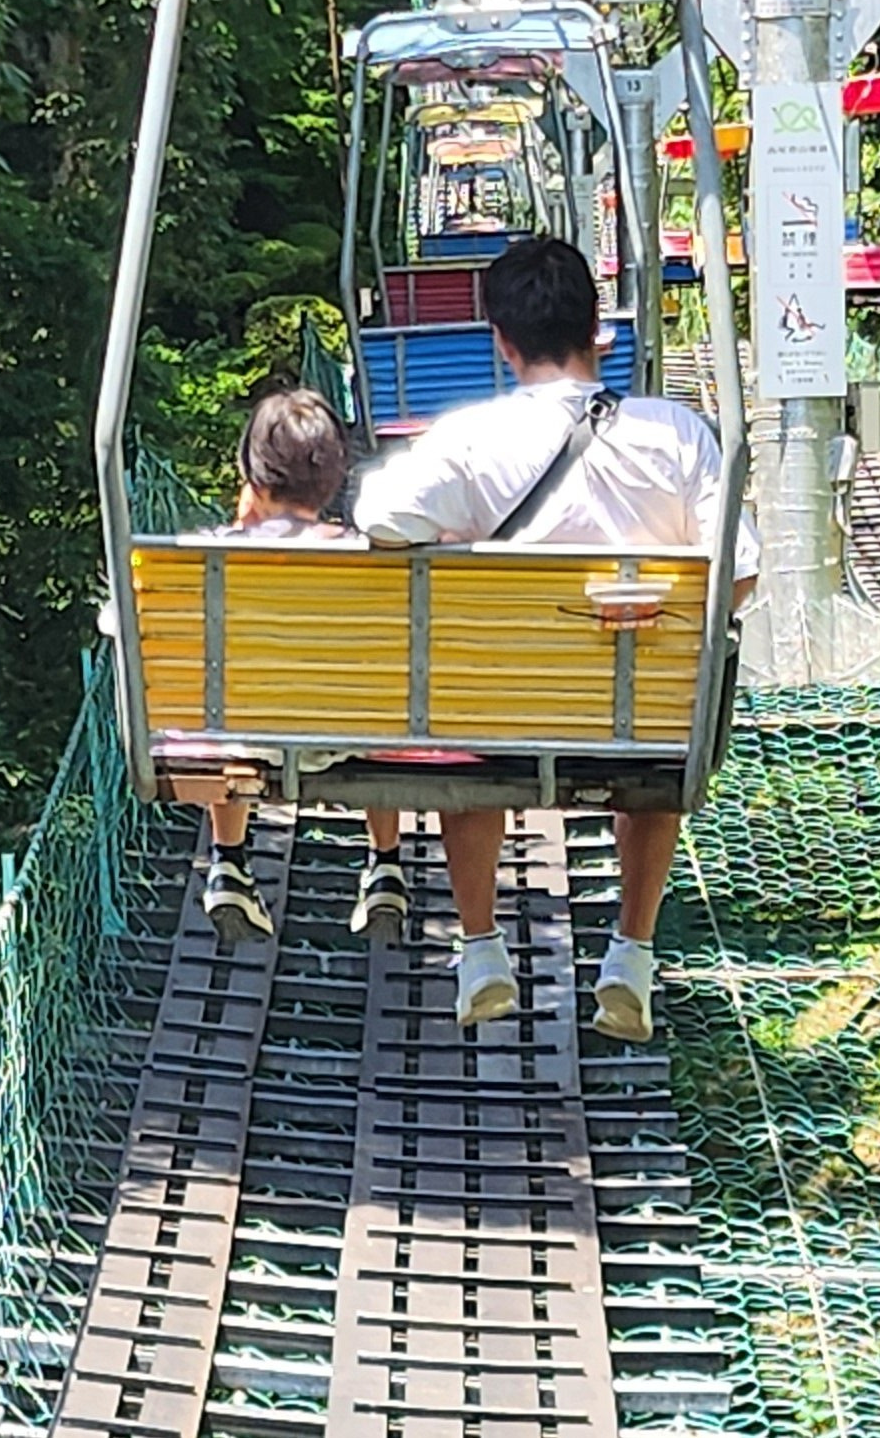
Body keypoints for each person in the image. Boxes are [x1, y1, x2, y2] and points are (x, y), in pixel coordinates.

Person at [353, 236, 756, 1041]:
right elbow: (737, 571)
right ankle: (630, 952)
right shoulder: (678, 434)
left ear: (502, 341)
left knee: (466, 716)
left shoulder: (469, 439)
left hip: (506, 717)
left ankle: (480, 946)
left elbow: (378, 519)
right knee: (661, 713)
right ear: (597, 330)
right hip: (637, 724)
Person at [198, 387, 410, 948]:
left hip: (248, 732)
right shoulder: (370, 558)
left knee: (222, 697)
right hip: (351, 733)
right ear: (335, 476)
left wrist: (240, 527)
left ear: (252, 474)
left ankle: (228, 861)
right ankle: (385, 863)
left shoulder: (207, 558)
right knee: (379, 690)